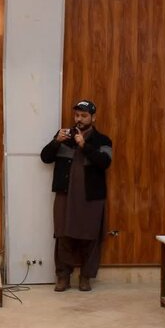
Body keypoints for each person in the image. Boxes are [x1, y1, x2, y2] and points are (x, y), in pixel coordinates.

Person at [40, 99, 112, 292]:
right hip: (65, 194)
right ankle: (63, 276)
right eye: (77, 115)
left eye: (84, 116)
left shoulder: (103, 140)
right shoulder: (64, 136)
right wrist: (56, 142)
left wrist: (84, 145)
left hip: (91, 197)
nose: (79, 119)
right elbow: (45, 157)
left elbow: (105, 162)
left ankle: (85, 277)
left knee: (90, 236)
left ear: (93, 118)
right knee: (63, 235)